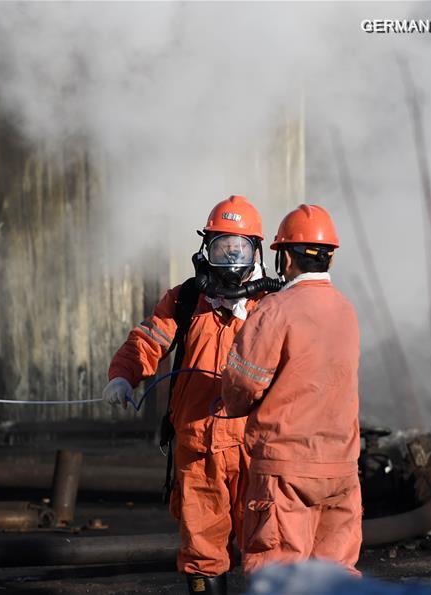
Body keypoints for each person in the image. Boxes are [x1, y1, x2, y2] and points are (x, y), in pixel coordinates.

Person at [104, 195, 277, 595]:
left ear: (257, 250)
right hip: (198, 450)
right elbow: (146, 341)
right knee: (202, 550)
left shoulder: (272, 306)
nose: (231, 259)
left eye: (240, 249)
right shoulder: (185, 301)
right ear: (206, 250)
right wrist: (123, 376)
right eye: (222, 249)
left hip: (256, 448)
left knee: (266, 545)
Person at [220, 203, 362, 576]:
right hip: (341, 471)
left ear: (284, 259)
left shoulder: (275, 310)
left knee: (280, 578)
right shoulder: (346, 310)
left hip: (286, 473)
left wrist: (230, 404)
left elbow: (241, 385)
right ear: (329, 258)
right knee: (335, 579)